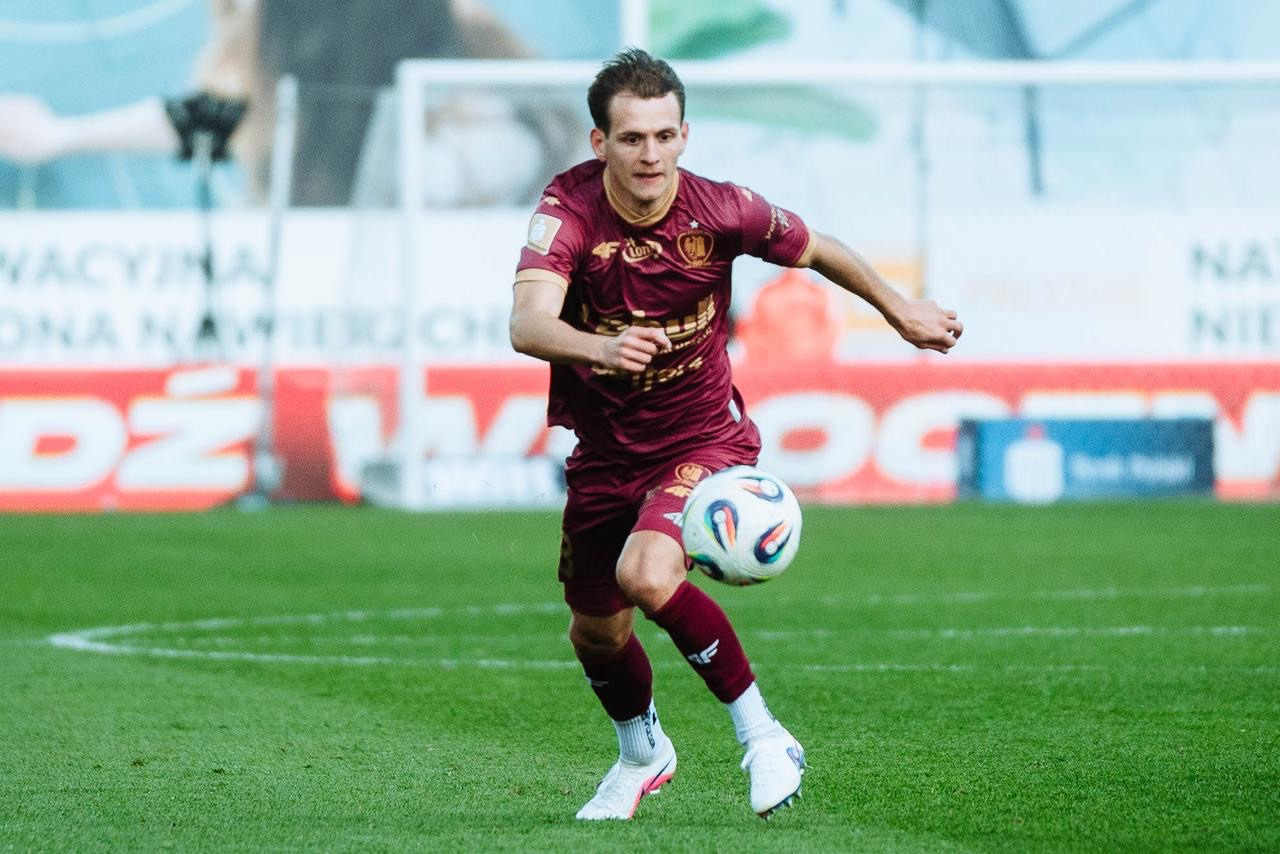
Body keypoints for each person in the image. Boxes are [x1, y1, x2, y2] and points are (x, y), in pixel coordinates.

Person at [508, 48, 963, 821]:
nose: (650, 155)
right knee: (595, 634)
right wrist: (601, 348)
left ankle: (765, 736)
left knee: (647, 574)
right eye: (631, 138)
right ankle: (642, 755)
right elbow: (527, 323)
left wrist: (900, 310)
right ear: (599, 143)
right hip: (605, 454)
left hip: (701, 441)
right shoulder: (569, 212)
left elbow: (819, 248)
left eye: (664, 136)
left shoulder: (723, 210)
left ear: (685, 135)